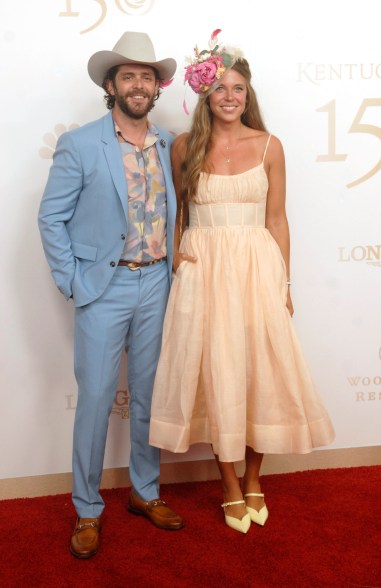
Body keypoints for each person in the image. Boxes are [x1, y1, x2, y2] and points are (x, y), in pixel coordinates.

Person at [149, 30, 335, 534]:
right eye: (220, 88)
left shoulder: (270, 145)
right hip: (203, 271)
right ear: (205, 95)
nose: (229, 97)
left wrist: (286, 283)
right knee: (217, 375)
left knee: (259, 373)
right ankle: (228, 483)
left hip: (257, 268)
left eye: (238, 89)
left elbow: (277, 220)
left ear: (247, 95)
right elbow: (179, 213)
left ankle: (254, 476)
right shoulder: (185, 146)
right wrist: (179, 260)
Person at [38, 31, 184, 559]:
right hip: (105, 285)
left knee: (149, 397)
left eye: (147, 76)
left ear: (157, 86)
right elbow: (50, 217)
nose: (139, 84)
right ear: (111, 84)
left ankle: (145, 492)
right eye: (129, 75)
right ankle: (86, 507)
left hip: (157, 283)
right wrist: (73, 281)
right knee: (97, 400)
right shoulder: (81, 143)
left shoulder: (169, 143)